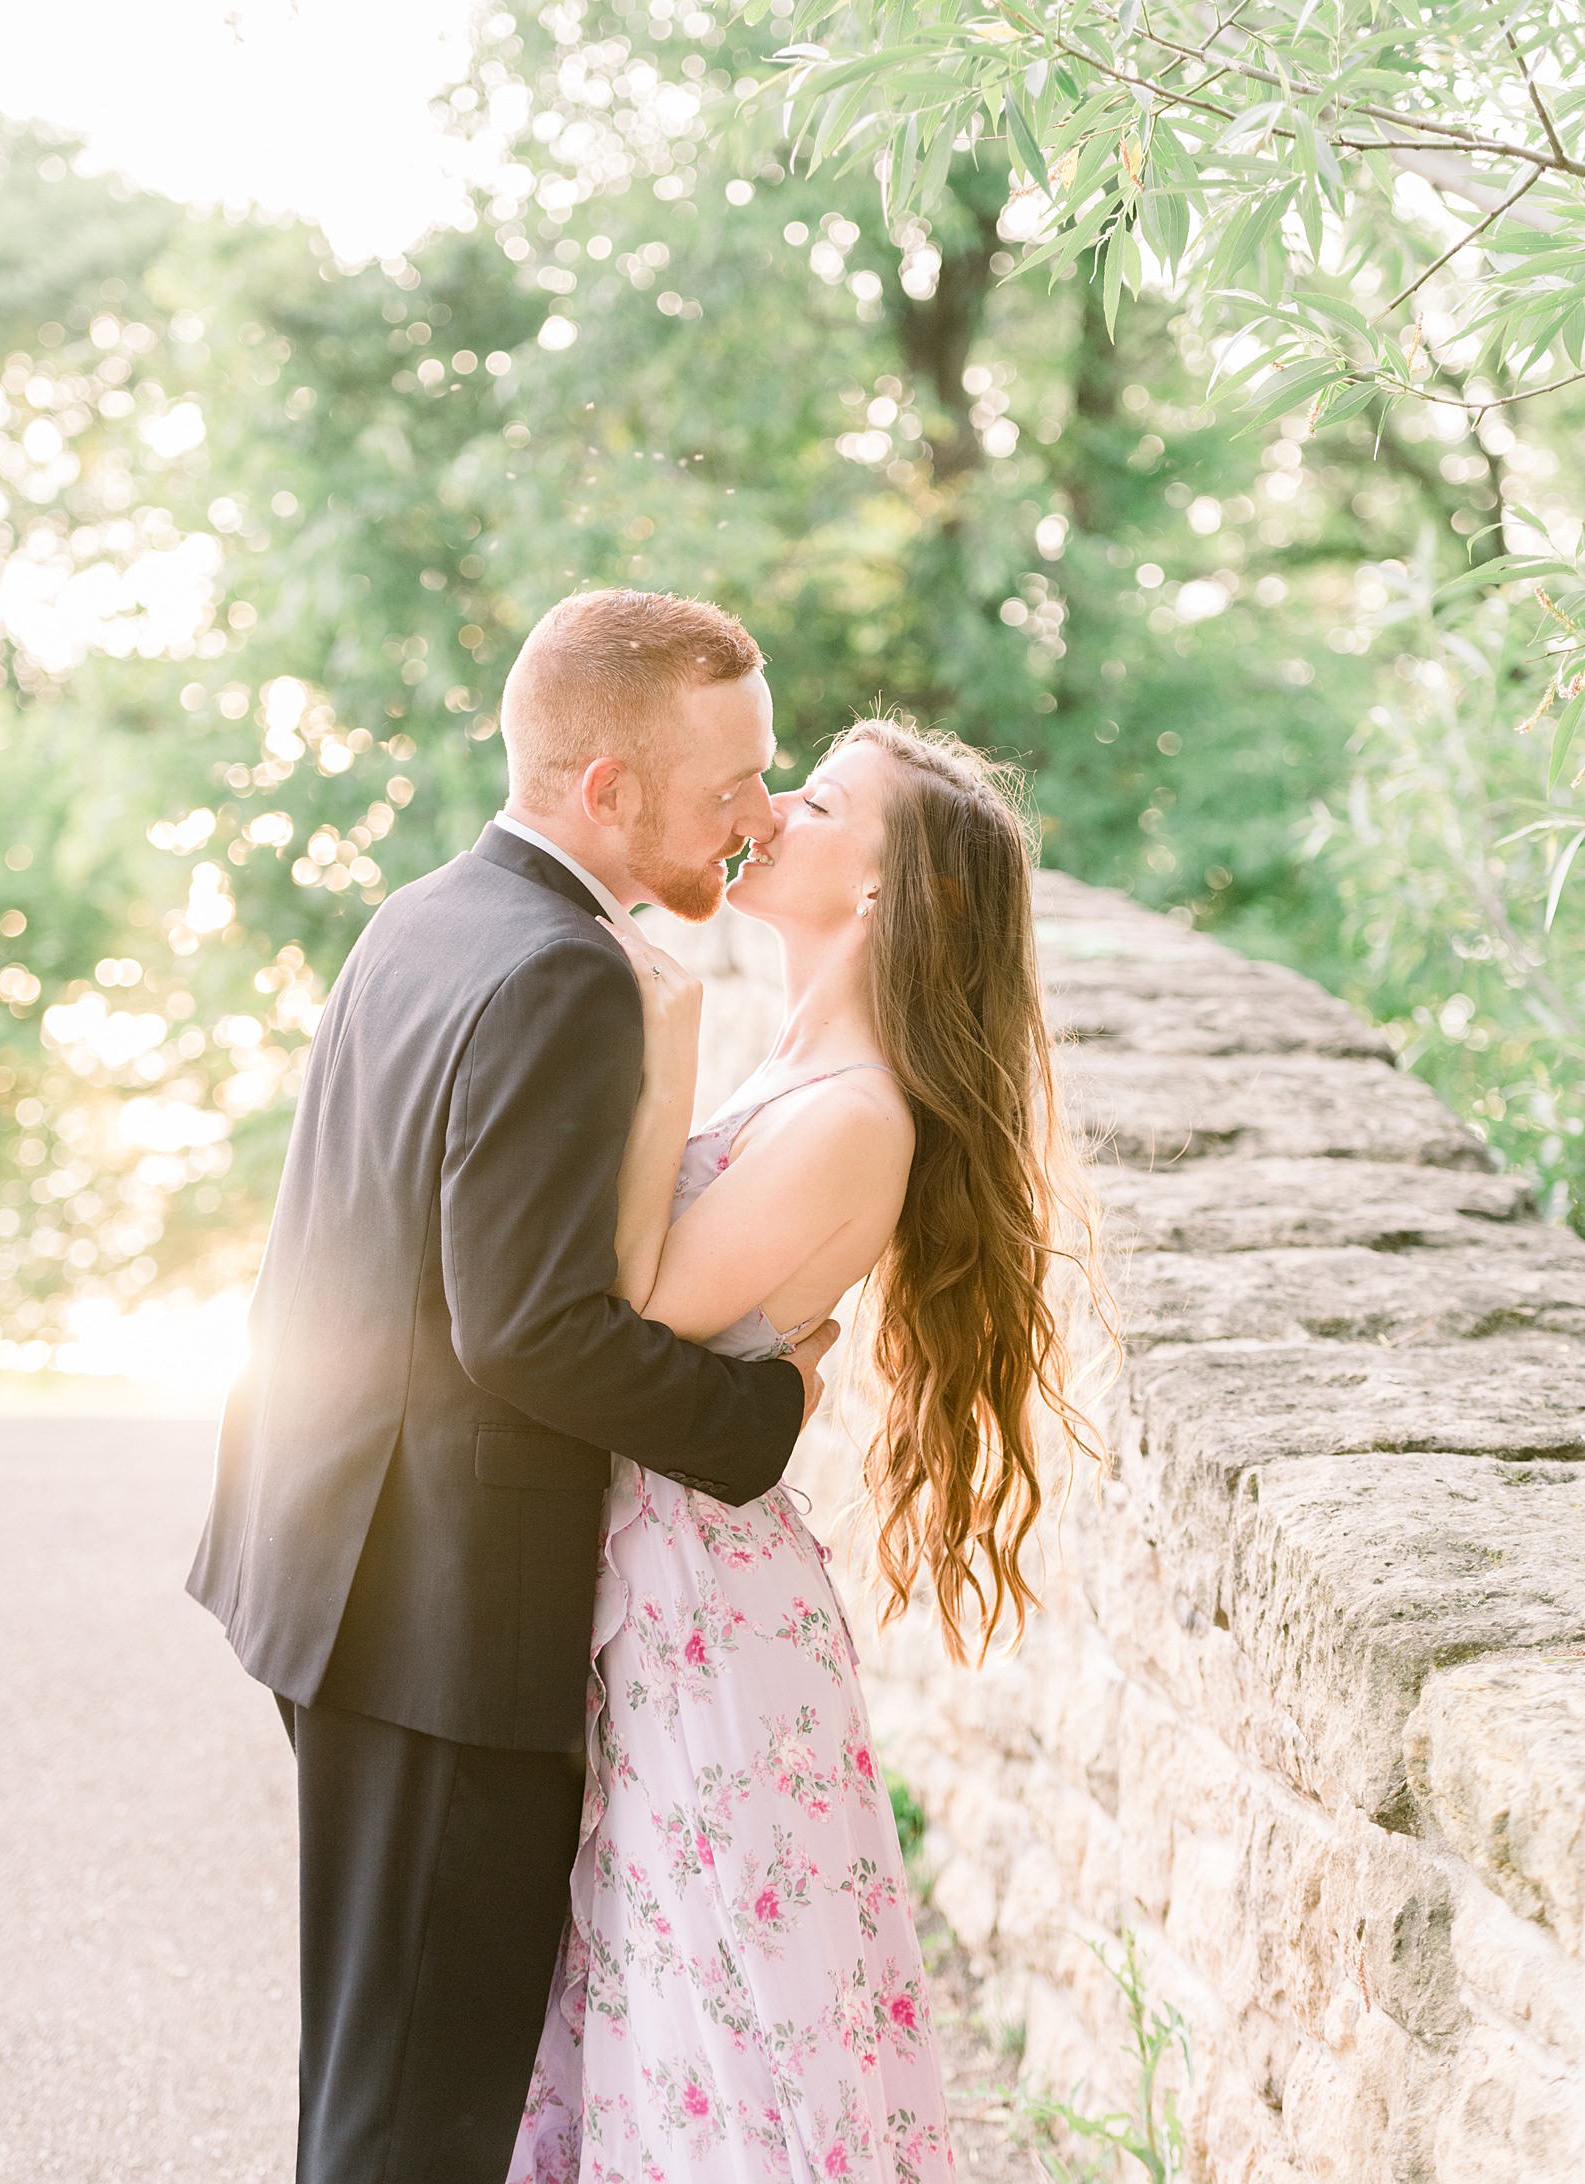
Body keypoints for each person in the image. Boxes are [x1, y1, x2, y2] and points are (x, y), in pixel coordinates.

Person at [186, 590, 840, 2184]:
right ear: (604, 788)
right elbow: (529, 1331)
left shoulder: (427, 911)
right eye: (727, 785)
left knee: (387, 2077)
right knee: (416, 2119)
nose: (758, 816)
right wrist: (773, 1412)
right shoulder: (562, 973)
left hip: (335, 1566)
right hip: (439, 1622)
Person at [511, 717, 1112, 2184]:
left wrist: (654, 1039)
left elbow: (636, 1300)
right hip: (655, 1584)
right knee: (650, 1999)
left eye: (821, 800)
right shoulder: (797, 1069)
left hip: (705, 1616)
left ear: (890, 893)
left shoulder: (854, 1115)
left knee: (726, 2023)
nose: (771, 807)